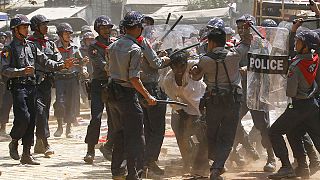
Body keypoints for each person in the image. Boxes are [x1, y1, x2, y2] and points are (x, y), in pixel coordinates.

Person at [1, 14, 71, 165]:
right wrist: (21, 71)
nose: (27, 30)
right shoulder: (9, 48)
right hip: (18, 86)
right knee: (24, 118)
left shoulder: (32, 46)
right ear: (15, 30)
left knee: (32, 119)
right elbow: (4, 70)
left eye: (27, 27)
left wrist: (62, 65)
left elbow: (45, 61)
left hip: (33, 85)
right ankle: (14, 140)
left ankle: (27, 153)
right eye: (23, 27)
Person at [190, 22, 252, 179]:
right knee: (228, 135)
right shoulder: (235, 55)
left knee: (211, 133)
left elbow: (196, 77)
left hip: (213, 102)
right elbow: (246, 42)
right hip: (233, 101)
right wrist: (246, 28)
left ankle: (216, 163)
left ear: (211, 42)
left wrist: (193, 71)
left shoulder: (205, 60)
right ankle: (217, 167)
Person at [107, 11, 157, 179]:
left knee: (120, 132)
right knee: (136, 135)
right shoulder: (135, 49)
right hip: (126, 94)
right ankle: (134, 173)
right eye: (141, 27)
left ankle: (117, 171)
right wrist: (148, 96)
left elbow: (110, 70)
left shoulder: (113, 45)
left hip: (111, 93)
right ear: (136, 28)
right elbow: (134, 78)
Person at [268, 24, 320, 179]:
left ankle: (286, 166)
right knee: (295, 132)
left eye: (298, 42)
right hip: (312, 105)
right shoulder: (315, 58)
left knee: (275, 131)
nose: (295, 44)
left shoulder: (295, 66)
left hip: (297, 105)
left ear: (305, 47)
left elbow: (290, 92)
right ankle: (303, 169)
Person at [162, 50, 209, 175]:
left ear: (186, 64)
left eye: (182, 65)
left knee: (203, 137)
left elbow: (202, 62)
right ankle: (187, 163)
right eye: (175, 66)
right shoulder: (168, 80)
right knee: (182, 137)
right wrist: (184, 115)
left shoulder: (191, 66)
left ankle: (204, 164)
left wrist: (196, 67)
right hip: (183, 109)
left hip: (202, 106)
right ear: (171, 66)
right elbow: (171, 100)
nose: (179, 69)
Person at [28, 14, 68, 157]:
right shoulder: (29, 43)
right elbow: (44, 61)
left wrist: (62, 65)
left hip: (47, 82)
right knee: (39, 112)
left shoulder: (50, 43)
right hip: (33, 82)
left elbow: (57, 58)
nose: (46, 27)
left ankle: (39, 141)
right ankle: (45, 143)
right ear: (35, 27)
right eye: (43, 24)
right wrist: (60, 65)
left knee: (44, 112)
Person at [83, 15, 114, 164]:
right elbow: (101, 64)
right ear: (97, 30)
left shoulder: (115, 44)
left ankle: (109, 146)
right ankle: (90, 149)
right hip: (98, 84)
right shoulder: (93, 46)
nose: (106, 31)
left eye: (108, 28)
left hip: (112, 84)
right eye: (103, 28)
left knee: (114, 119)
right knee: (96, 118)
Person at [53, 22, 89, 138]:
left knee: (71, 103)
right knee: (60, 103)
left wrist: (83, 67)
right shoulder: (54, 47)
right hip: (59, 78)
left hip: (72, 79)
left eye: (69, 33)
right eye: (66, 33)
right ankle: (59, 126)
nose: (68, 35)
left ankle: (68, 128)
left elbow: (80, 61)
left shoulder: (74, 47)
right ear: (60, 35)